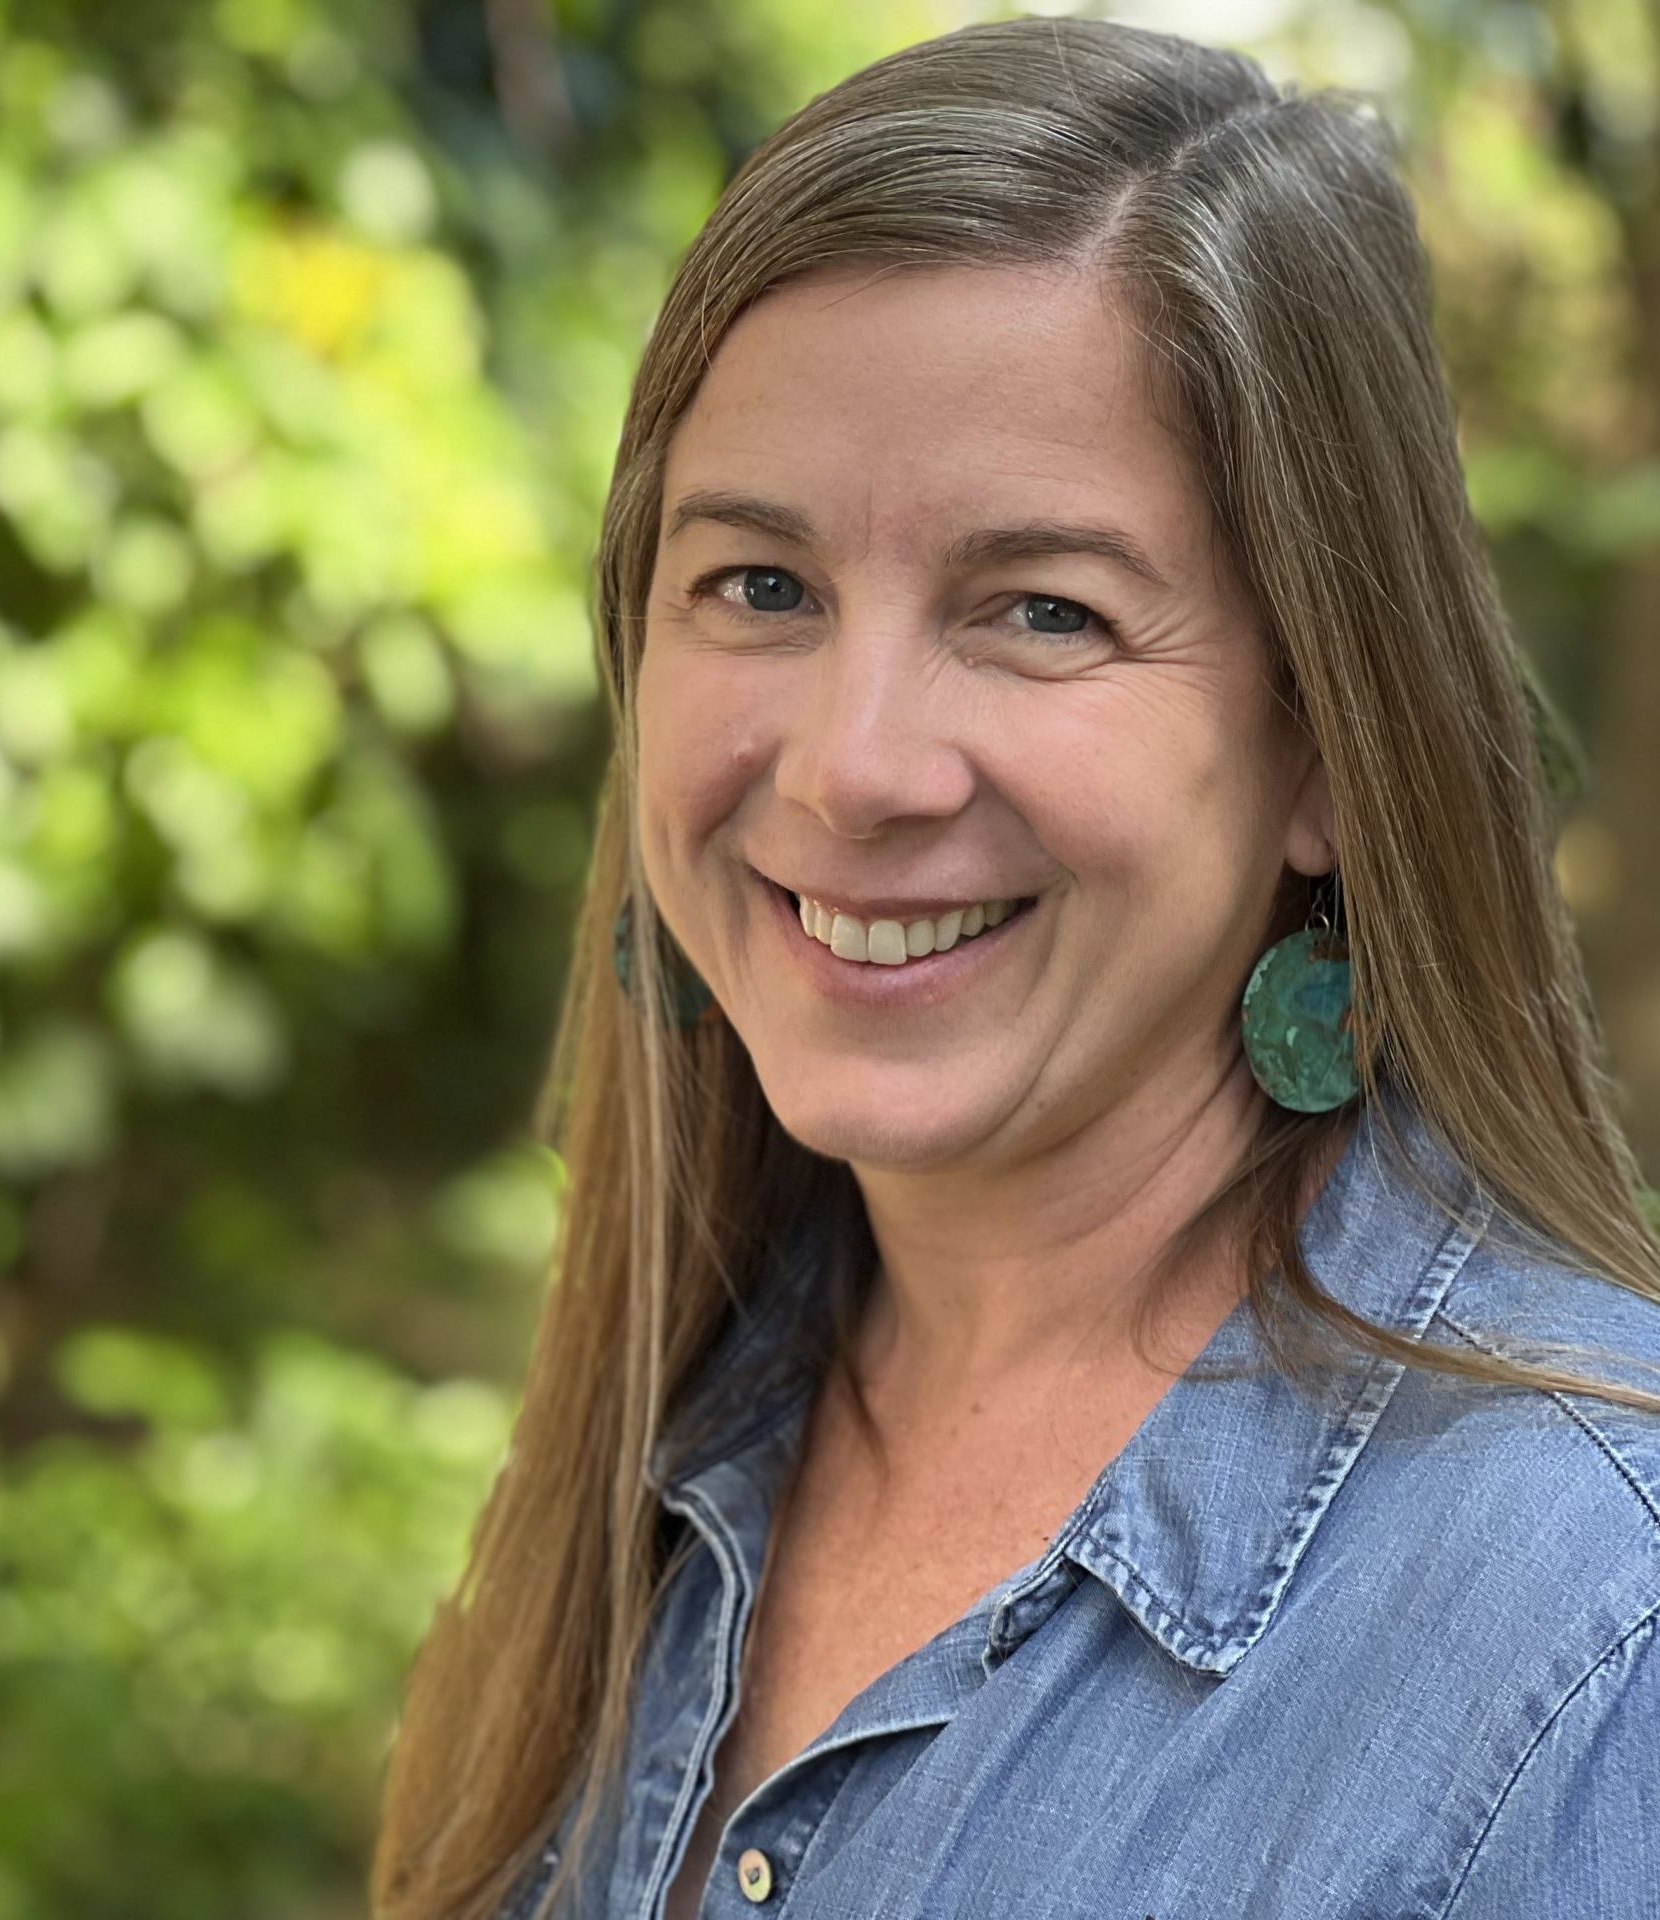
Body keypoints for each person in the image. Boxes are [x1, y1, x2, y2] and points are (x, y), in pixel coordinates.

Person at [371, 17, 1660, 1918]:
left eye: (1042, 608)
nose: (852, 766)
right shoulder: (679, 1442)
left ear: (1325, 746)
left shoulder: (1585, 1632)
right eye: (761, 586)